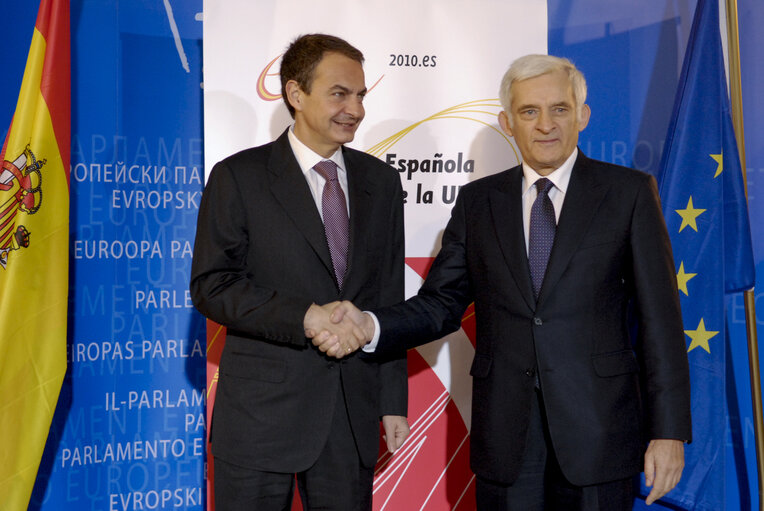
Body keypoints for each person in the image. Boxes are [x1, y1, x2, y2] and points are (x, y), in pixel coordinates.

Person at [316, 54, 691, 510]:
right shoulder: (479, 203)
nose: (546, 125)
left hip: (601, 436)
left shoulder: (629, 193)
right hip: (507, 442)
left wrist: (668, 432)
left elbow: (662, 324)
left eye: (560, 109)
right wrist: (370, 325)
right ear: (507, 123)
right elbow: (440, 304)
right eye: (529, 112)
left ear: (583, 116)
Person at [190, 33, 409, 511]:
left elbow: (388, 298)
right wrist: (305, 317)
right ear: (295, 94)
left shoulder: (382, 183)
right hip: (259, 417)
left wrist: (393, 398)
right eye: (339, 93)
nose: (355, 108)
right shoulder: (238, 176)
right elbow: (212, 286)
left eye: (361, 95)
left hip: (350, 412)